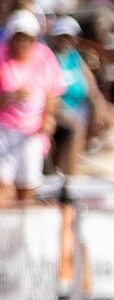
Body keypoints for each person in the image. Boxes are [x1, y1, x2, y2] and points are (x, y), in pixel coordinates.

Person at [0, 10, 59, 201]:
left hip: (31, 132)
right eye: (18, 37)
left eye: (27, 38)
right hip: (4, 129)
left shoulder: (44, 56)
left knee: (27, 188)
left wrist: (47, 117)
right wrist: (11, 97)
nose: (22, 43)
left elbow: (52, 90)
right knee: (3, 187)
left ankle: (20, 230)